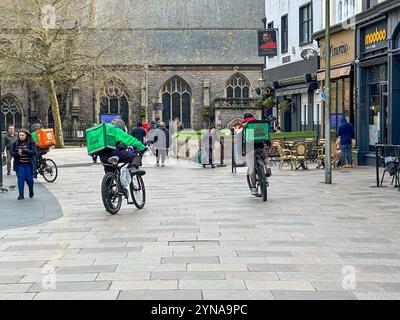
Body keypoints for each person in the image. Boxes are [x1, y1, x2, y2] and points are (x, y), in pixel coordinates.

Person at [241, 113, 272, 196]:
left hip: (250, 150)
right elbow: (265, 135)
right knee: (265, 158)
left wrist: (242, 152)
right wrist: (269, 144)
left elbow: (242, 140)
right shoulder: (258, 124)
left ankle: (254, 188)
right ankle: (268, 167)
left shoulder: (245, 126)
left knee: (252, 168)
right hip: (260, 148)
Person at [10, 129, 36, 200]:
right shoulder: (16, 143)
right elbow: (11, 152)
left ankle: (31, 190)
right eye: (20, 135)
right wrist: (17, 154)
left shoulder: (31, 142)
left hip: (28, 165)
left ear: (26, 135)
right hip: (19, 165)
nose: (21, 136)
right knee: (20, 179)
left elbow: (33, 152)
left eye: (22, 135)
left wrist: (25, 151)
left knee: (29, 179)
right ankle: (21, 194)